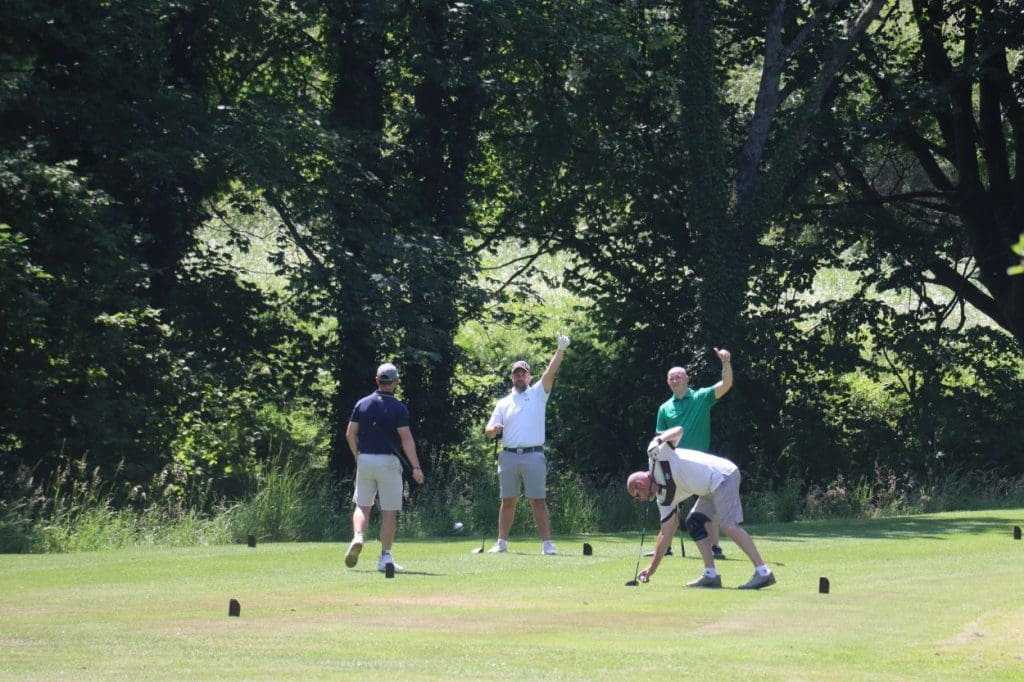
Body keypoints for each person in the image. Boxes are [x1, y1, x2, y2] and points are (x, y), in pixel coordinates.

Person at [626, 425, 775, 589]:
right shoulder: (663, 499)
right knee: (694, 522)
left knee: (728, 525)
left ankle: (763, 572)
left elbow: (679, 431)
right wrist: (652, 568)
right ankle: (711, 575)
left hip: (722, 475)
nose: (641, 500)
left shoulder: (656, 456)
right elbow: (665, 533)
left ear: (639, 485)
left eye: (637, 496)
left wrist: (659, 440)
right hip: (709, 489)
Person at [483, 333, 570, 555]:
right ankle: (501, 542)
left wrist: (560, 350)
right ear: (512, 378)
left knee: (537, 500)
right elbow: (489, 430)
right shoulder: (503, 403)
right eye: (516, 374)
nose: (520, 377)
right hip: (509, 455)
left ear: (529, 377)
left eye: (523, 374)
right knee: (508, 500)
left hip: (533, 454)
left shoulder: (538, 393)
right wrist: (494, 430)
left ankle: (547, 544)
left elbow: (551, 371)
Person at [651, 348, 733, 559]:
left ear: (687, 378)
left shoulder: (701, 397)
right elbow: (660, 438)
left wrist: (726, 362)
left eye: (678, 376)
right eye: (671, 378)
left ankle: (715, 548)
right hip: (673, 464)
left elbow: (726, 385)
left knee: (710, 501)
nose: (675, 380)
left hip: (700, 462)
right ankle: (665, 547)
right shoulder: (664, 408)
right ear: (668, 382)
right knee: (668, 503)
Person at [344, 362, 425, 573]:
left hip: (365, 460)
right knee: (389, 511)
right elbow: (406, 439)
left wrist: (357, 455)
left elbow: (350, 434)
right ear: (396, 382)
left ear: (377, 381)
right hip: (388, 462)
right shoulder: (399, 407)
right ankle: (385, 556)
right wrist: (416, 467)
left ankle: (358, 536)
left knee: (362, 506)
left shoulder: (362, 404)